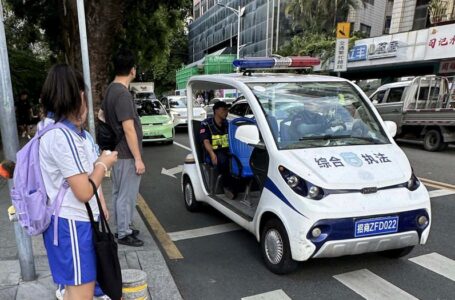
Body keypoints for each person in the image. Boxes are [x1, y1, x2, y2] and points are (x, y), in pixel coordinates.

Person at [39, 64, 118, 299]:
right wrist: (104, 164)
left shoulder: (60, 132)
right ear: (79, 96)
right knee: (81, 293)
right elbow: (83, 191)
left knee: (77, 290)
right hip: (72, 223)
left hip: (73, 222)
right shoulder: (62, 136)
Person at [102, 48, 145, 247]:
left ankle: (124, 225)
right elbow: (129, 128)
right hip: (127, 153)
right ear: (132, 70)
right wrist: (138, 158)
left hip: (117, 151)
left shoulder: (111, 89)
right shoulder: (122, 94)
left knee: (119, 193)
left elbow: (101, 116)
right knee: (126, 194)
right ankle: (124, 232)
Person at [199, 101, 237, 199]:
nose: (227, 112)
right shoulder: (206, 124)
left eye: (227, 110)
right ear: (216, 110)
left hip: (227, 150)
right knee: (224, 160)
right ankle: (226, 186)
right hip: (213, 152)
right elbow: (205, 141)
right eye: (224, 110)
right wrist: (211, 153)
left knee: (238, 159)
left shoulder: (227, 124)